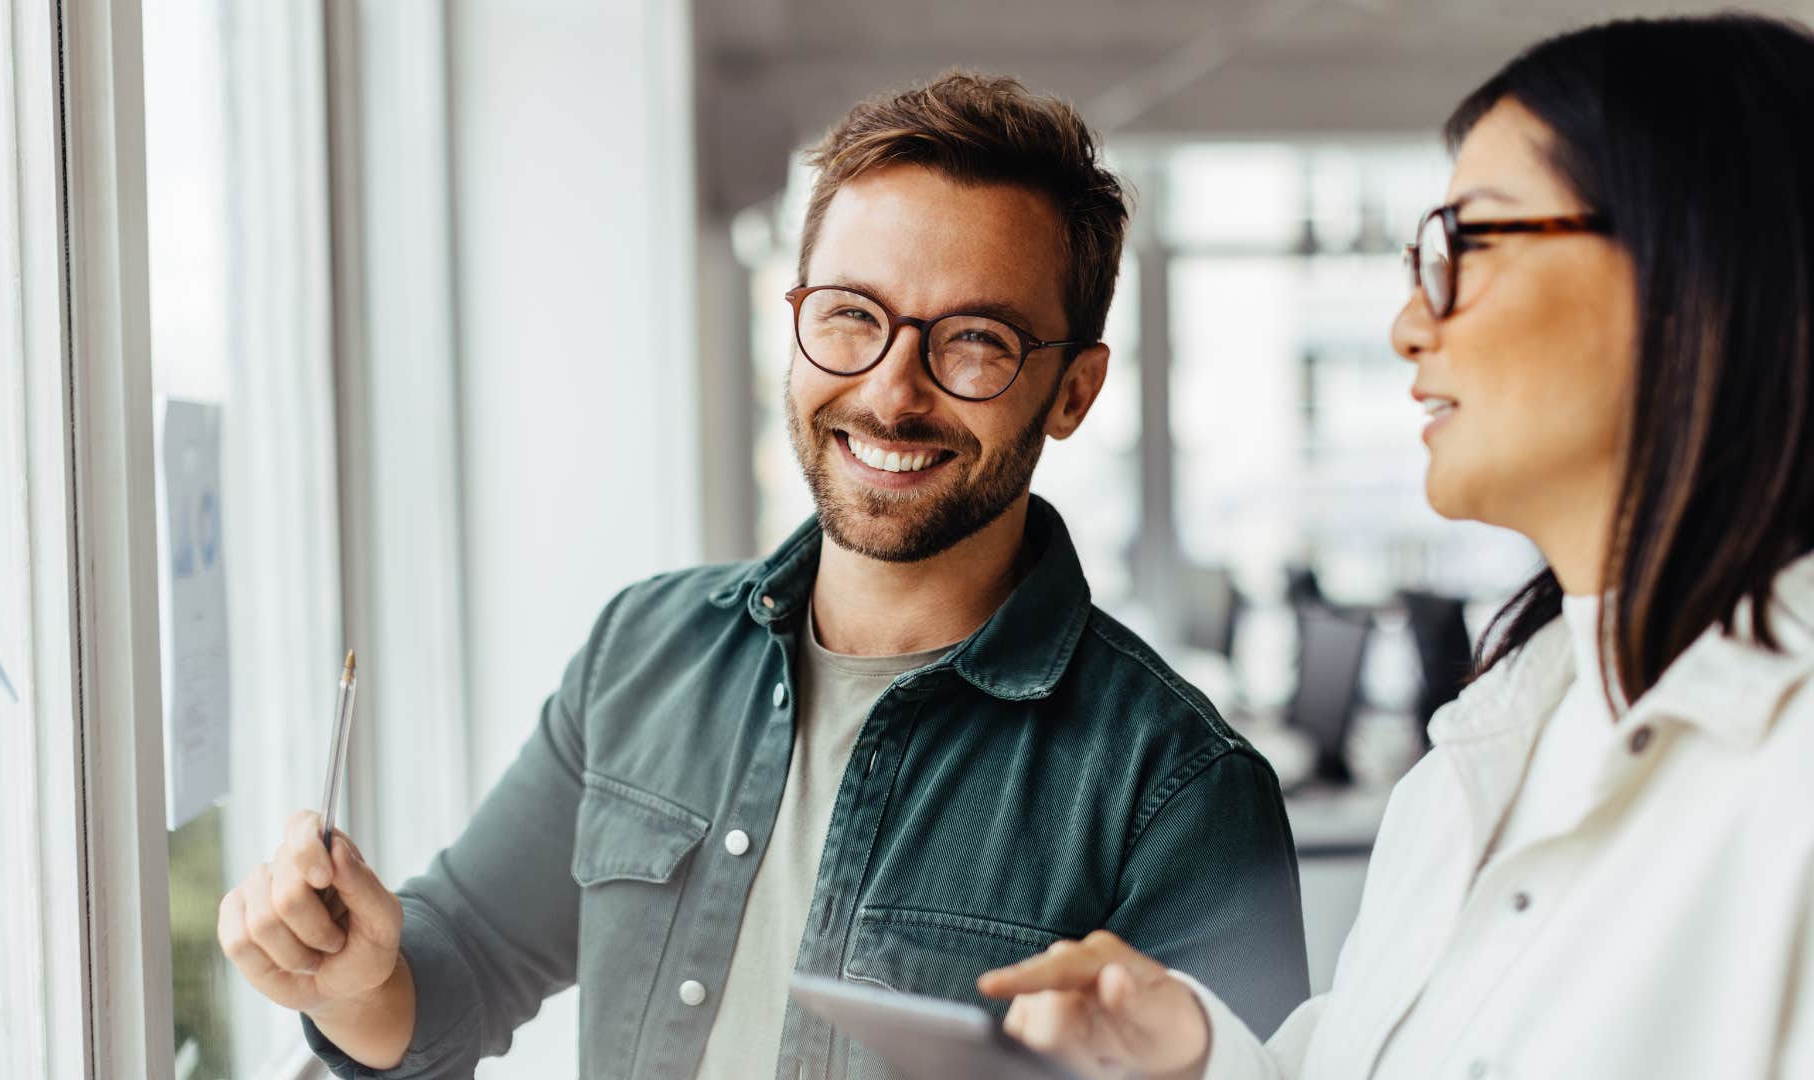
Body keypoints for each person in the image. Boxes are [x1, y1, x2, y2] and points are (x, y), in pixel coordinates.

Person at [217, 71, 1310, 1080]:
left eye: (972, 340)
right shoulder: (641, 653)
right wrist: (356, 982)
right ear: (793, 323)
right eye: (851, 315)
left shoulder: (1181, 792)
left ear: (1072, 392)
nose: (891, 393)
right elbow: (462, 970)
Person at [978, 13, 1814, 1080]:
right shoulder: (1485, 749)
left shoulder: (1789, 771)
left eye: (1469, 247)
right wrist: (1196, 1060)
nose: (1409, 326)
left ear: (1696, 262)